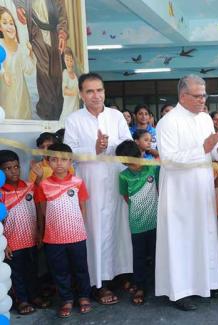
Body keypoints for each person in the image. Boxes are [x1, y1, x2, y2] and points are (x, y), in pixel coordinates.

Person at [155, 74, 218, 311]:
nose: (203, 100)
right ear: (183, 96)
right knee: (181, 240)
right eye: (198, 96)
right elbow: (169, 161)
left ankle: (206, 283)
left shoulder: (204, 120)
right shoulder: (168, 122)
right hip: (179, 192)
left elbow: (209, 154)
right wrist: (204, 148)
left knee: (204, 235)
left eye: (205, 95)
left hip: (202, 189)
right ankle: (180, 291)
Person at [64, 72, 133, 304]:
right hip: (90, 181)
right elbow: (68, 152)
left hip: (115, 178)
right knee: (95, 229)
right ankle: (98, 282)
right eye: (90, 91)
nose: (96, 95)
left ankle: (120, 274)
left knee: (118, 226)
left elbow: (127, 143)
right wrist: (93, 147)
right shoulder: (74, 119)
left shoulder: (115, 116)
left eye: (100, 90)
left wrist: (114, 147)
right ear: (82, 94)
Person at [35, 143, 92, 318]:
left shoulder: (78, 183)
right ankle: (66, 299)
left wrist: (81, 229)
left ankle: (83, 296)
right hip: (53, 239)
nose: (59, 163)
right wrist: (41, 232)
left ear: (70, 162)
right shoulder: (43, 185)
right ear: (48, 162)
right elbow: (42, 211)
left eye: (64, 159)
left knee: (81, 268)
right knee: (60, 271)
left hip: (77, 236)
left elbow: (83, 208)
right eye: (54, 159)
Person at [0, 150, 50, 315]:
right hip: (12, 243)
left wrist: (40, 232)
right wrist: (3, 244)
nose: (14, 171)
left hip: (31, 239)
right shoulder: (1, 193)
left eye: (16, 166)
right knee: (16, 274)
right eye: (8, 168)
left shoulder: (29, 186)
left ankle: (34, 296)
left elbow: (38, 209)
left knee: (32, 270)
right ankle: (21, 300)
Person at [116, 140, 159, 306]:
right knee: (139, 257)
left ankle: (159, 284)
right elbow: (126, 197)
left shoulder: (152, 168)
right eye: (128, 163)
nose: (133, 166)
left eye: (135, 160)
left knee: (157, 254)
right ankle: (140, 286)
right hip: (136, 225)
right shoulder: (123, 175)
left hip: (155, 222)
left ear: (140, 154)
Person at [12, 0, 68, 120]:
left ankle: (56, 111)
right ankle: (46, 110)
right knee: (42, 71)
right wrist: (19, 7)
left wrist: (62, 34)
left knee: (56, 74)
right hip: (36, 32)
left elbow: (62, 15)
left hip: (54, 35)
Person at [0, 5, 36, 120]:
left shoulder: (20, 48)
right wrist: (3, 73)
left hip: (22, 99)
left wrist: (30, 51)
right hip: (5, 100)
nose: (10, 26)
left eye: (11, 23)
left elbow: (29, 69)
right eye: (5, 23)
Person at [59, 47, 79, 121]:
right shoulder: (65, 73)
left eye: (71, 59)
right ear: (64, 60)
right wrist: (76, 92)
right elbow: (65, 91)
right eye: (67, 59)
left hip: (75, 105)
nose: (69, 62)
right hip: (68, 106)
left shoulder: (75, 75)